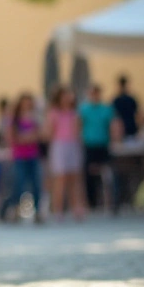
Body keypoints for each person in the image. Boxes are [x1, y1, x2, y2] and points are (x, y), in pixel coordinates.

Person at [0, 93, 43, 223]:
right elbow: (13, 137)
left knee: (36, 184)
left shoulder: (35, 118)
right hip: (19, 156)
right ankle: (14, 209)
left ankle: (37, 211)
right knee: (18, 184)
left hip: (33, 155)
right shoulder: (14, 119)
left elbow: (40, 135)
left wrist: (26, 137)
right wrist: (28, 137)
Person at [46, 87, 86, 220]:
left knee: (74, 178)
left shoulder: (74, 113)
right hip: (59, 146)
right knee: (60, 178)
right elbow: (50, 132)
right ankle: (58, 210)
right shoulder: (54, 113)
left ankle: (77, 208)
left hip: (73, 145)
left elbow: (79, 131)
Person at [78, 84, 118, 212]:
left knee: (108, 174)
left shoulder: (106, 109)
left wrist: (114, 139)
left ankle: (112, 202)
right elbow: (79, 125)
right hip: (89, 145)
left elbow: (113, 126)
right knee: (88, 175)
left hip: (103, 145)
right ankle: (91, 202)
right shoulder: (83, 109)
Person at [112, 75, 139, 140]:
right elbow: (114, 118)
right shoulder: (116, 101)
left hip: (132, 130)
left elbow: (137, 115)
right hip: (121, 132)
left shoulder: (131, 99)